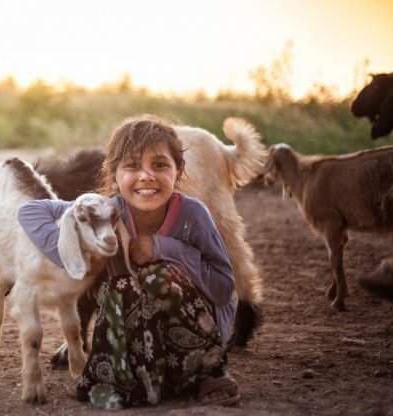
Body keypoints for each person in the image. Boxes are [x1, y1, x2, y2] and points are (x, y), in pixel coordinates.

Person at [17, 114, 240, 409]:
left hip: (199, 330)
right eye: (132, 166)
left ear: (179, 171)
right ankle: (123, 378)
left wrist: (164, 247)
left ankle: (209, 373)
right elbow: (29, 212)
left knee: (157, 275)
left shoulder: (193, 215)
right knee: (117, 285)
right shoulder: (106, 212)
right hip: (144, 337)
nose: (146, 175)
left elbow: (224, 289)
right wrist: (73, 255)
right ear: (113, 175)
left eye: (159, 165)